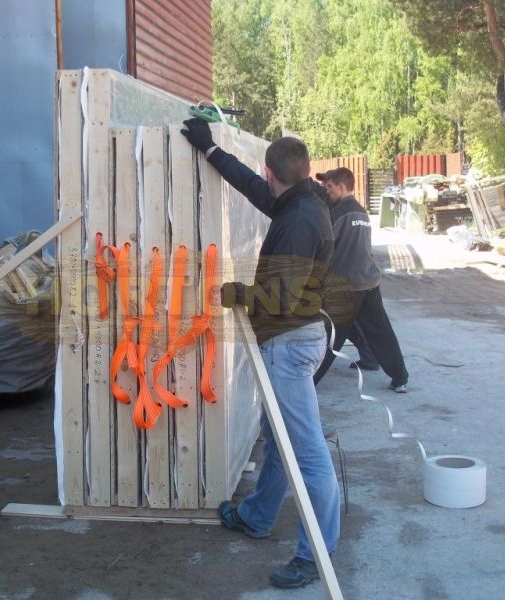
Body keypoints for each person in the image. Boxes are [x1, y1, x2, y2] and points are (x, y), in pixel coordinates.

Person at [181, 118, 340, 590]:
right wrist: (211, 151)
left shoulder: (297, 223)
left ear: (274, 173)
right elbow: (254, 188)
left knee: (307, 454)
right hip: (296, 338)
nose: (263, 183)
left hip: (290, 343)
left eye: (265, 175)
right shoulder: (302, 200)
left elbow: (282, 298)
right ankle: (256, 516)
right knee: (279, 440)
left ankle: (316, 555)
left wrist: (237, 294)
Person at [313, 167, 409, 392]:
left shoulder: (337, 215)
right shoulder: (361, 212)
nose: (326, 192)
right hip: (368, 283)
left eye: (329, 187)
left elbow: (324, 247)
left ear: (342, 186)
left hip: (346, 289)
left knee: (330, 339)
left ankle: (307, 382)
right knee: (381, 332)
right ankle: (400, 378)